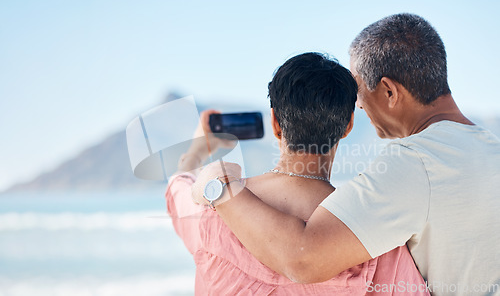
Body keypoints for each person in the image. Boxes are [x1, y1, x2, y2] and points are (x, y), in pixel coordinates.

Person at [191, 13, 500, 296]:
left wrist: (218, 180)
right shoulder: (491, 148)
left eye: (361, 95)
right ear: (347, 125)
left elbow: (303, 259)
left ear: (389, 92)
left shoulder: (413, 164)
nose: (362, 107)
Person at [166, 52, 428, 295]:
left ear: (275, 124)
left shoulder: (210, 208)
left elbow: (178, 188)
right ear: (348, 125)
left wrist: (197, 150)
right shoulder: (370, 239)